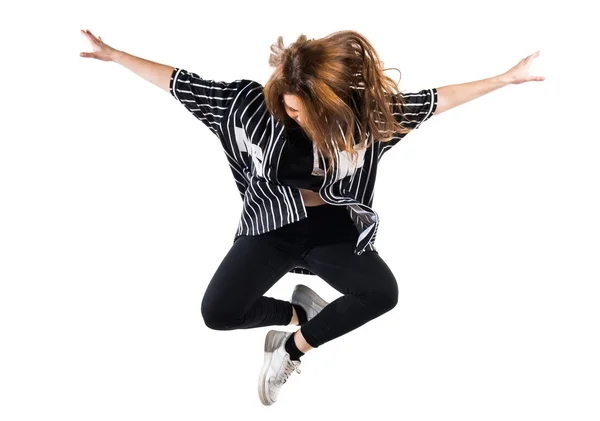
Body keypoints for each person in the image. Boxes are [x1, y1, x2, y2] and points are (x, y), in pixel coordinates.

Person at [79, 28, 544, 406]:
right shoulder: (247, 108)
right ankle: (300, 311)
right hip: (274, 225)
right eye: (295, 109)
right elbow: (180, 82)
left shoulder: (364, 119)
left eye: (313, 114)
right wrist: (115, 54)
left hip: (331, 231)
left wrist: (503, 79)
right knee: (217, 314)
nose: (302, 120)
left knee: (382, 293)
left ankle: (292, 347)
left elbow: (435, 101)